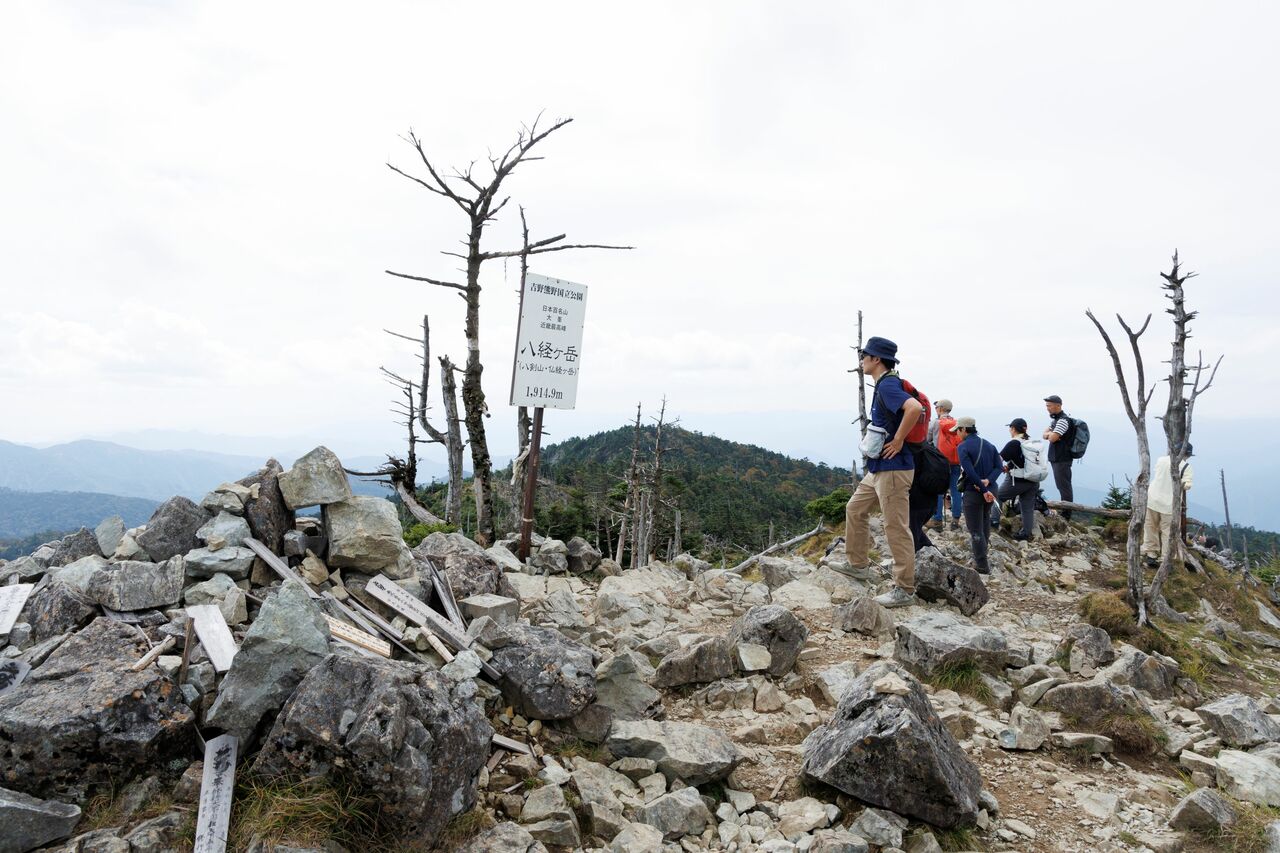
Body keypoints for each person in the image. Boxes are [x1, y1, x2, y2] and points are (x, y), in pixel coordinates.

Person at [844, 336, 923, 608]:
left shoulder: (888, 384)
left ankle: (904, 589)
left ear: (876, 359)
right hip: (880, 468)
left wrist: (899, 439)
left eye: (865, 356)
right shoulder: (884, 384)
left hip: (894, 469)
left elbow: (914, 407)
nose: (862, 360)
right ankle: (858, 564)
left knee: (895, 527)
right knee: (855, 509)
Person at [953, 417, 1004, 573]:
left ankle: (981, 565)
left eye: (957, 430)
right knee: (984, 521)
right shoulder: (989, 445)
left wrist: (982, 488)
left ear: (964, 429)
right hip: (992, 490)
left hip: (974, 493)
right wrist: (988, 482)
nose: (956, 433)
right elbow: (999, 467)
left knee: (975, 530)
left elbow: (969, 471)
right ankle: (982, 555)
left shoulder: (963, 447)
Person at [1143, 445, 1194, 566]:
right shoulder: (1186, 467)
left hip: (1152, 499)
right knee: (1168, 532)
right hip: (1169, 504)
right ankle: (1166, 557)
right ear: (1187, 455)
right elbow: (1187, 485)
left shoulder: (1161, 460)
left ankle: (1151, 553)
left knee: (1150, 527)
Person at [997, 418, 1039, 541]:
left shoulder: (1014, 443)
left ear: (1013, 429)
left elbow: (999, 459)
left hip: (1018, 480)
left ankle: (993, 521)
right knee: (1027, 507)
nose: (1010, 430)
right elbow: (1023, 460)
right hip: (1033, 479)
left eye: (1010, 428)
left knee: (997, 496)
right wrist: (1009, 466)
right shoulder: (1031, 442)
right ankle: (1025, 533)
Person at [930, 399, 963, 530]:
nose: (935, 408)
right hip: (955, 461)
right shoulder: (957, 424)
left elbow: (926, 439)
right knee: (955, 490)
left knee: (938, 490)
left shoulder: (936, 423)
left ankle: (937, 520)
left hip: (939, 461)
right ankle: (955, 520)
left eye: (937, 407)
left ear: (941, 408)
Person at [1042, 395, 1075, 519]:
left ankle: (1066, 513)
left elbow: (1051, 437)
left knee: (1064, 486)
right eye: (1047, 406)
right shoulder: (1056, 420)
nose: (1047, 408)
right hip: (1057, 458)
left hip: (1062, 458)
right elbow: (1044, 435)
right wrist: (1051, 434)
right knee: (1062, 485)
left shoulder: (1062, 420)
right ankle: (1066, 511)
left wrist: (1051, 434)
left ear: (1058, 406)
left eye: (1049, 406)